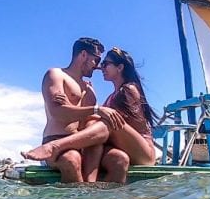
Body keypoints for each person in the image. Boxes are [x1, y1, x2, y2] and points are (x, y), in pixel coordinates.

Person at [22, 47, 157, 184]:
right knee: (101, 133)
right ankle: (92, 190)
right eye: (99, 63)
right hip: (126, 148)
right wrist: (80, 107)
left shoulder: (129, 90)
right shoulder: (112, 96)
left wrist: (87, 109)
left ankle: (55, 147)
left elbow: (109, 122)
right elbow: (95, 119)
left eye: (105, 64)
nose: (100, 68)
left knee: (106, 122)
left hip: (143, 152)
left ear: (119, 67)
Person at [21, 37, 122, 183]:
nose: (97, 66)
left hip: (83, 143)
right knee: (72, 159)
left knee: (119, 159)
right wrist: (95, 110)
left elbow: (88, 124)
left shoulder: (90, 90)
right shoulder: (56, 75)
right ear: (83, 55)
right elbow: (58, 113)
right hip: (56, 139)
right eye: (96, 60)